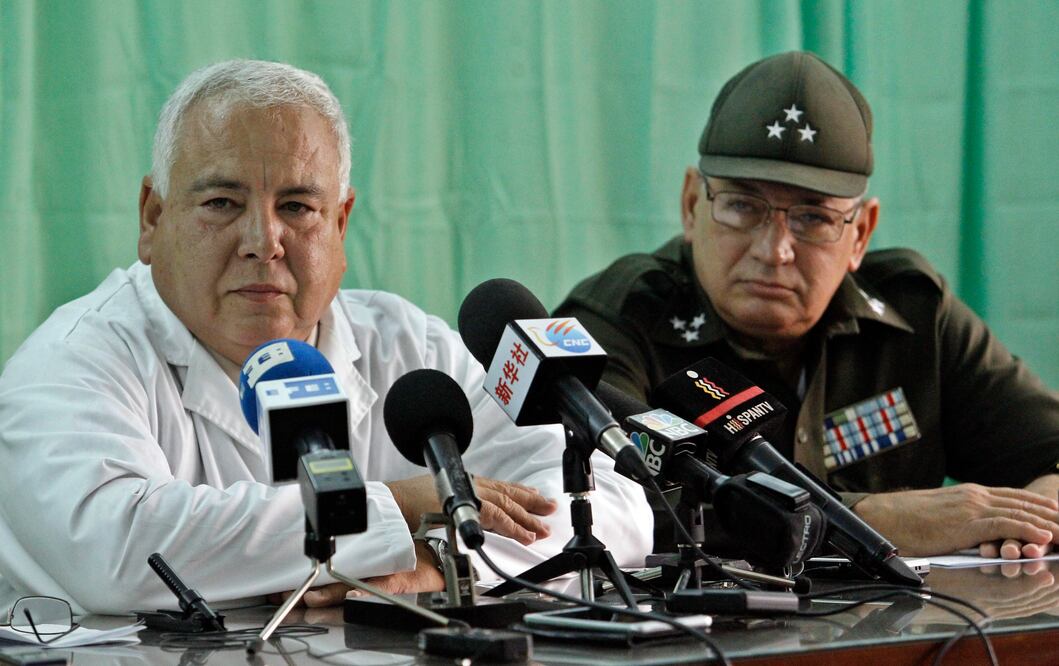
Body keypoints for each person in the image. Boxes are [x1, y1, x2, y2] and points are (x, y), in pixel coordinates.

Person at [0, 60, 652, 615]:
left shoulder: (409, 348)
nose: (262, 243)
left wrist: (448, 560)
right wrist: (394, 511)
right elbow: (116, 547)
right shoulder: (73, 362)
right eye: (221, 203)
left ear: (340, 223)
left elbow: (611, 501)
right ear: (152, 218)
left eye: (297, 207)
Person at [555, 51, 1059, 560]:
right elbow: (591, 505)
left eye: (813, 218)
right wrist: (862, 519)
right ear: (692, 205)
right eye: (742, 206)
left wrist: (1033, 520)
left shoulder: (916, 316)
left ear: (859, 233)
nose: (774, 250)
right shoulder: (616, 320)